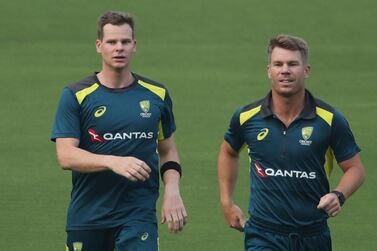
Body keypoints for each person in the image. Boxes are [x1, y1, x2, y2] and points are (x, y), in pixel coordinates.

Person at [51, 11, 187, 251]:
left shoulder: (156, 95)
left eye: (125, 41)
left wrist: (172, 190)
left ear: (134, 45)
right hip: (88, 217)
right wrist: (113, 162)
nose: (119, 48)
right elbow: (65, 155)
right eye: (112, 42)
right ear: (99, 45)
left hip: (138, 216)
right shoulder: (76, 96)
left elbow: (168, 151)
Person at [217, 34, 365, 251]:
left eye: (292, 64)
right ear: (269, 71)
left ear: (306, 70)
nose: (285, 70)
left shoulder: (330, 120)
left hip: (313, 235)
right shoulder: (247, 118)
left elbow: (355, 169)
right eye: (278, 64)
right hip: (263, 234)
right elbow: (228, 152)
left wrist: (339, 195)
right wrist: (227, 202)